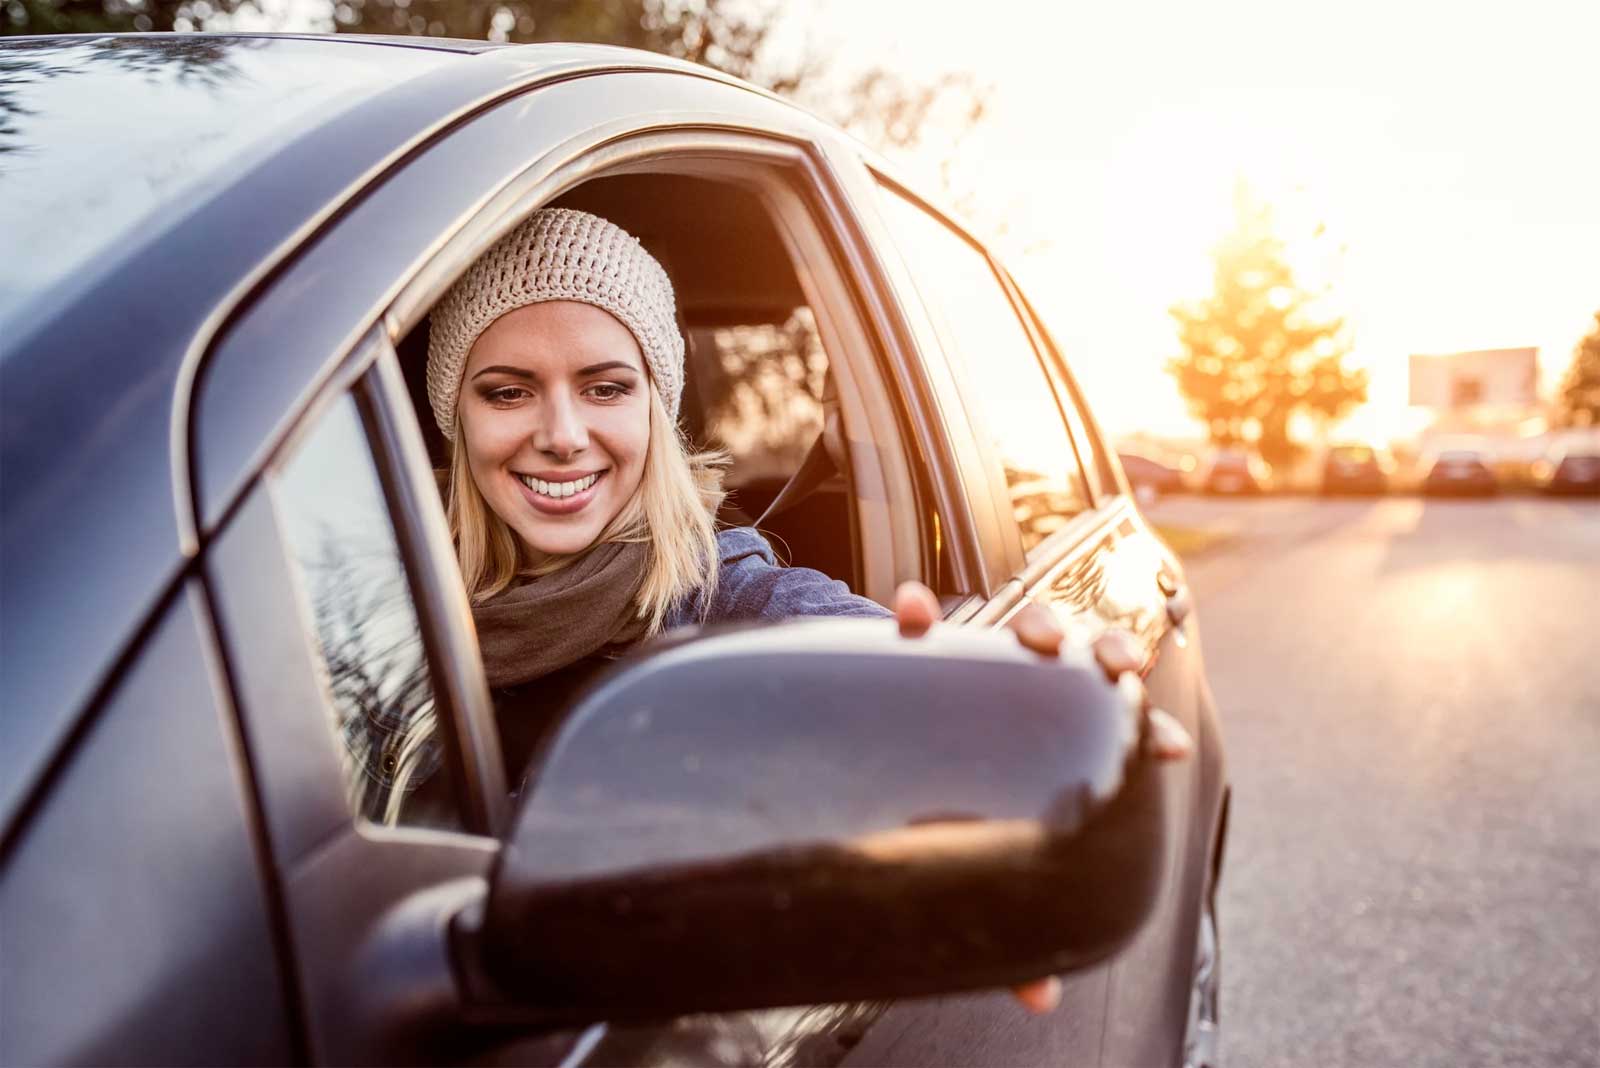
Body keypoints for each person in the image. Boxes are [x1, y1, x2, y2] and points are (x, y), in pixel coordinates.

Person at [425, 207, 1191, 1014]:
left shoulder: (745, 604)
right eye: (508, 392)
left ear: (657, 405)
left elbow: (913, 738)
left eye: (606, 388)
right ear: (456, 417)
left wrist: (1027, 730)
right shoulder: (369, 609)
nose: (562, 434)